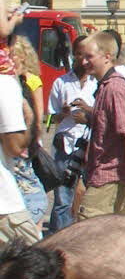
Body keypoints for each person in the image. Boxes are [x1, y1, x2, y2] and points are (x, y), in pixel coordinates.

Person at [78, 32, 125, 218]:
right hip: (108, 178)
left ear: (107, 56)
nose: (83, 61)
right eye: (83, 56)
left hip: (110, 180)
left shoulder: (116, 89)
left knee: (84, 238)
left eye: (89, 56)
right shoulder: (104, 86)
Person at [46, 36, 96, 232]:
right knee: (63, 197)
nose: (83, 61)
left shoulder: (97, 82)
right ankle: (58, 237)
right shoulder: (62, 82)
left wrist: (87, 112)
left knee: (89, 196)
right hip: (65, 143)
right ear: (73, 55)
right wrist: (64, 113)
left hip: (89, 144)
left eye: (87, 56)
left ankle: (82, 235)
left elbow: (104, 114)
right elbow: (51, 117)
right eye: (79, 55)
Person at [7, 35, 48, 227]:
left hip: (25, 141)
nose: (10, 57)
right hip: (10, 138)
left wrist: (33, 138)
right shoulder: (5, 79)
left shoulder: (31, 80)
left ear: (23, 56)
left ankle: (35, 224)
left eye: (13, 54)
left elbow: (38, 116)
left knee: (28, 185)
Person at [0, 65, 39, 244]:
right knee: (41, 269)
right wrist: (30, 118)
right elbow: (15, 146)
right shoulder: (5, 84)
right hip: (4, 208)